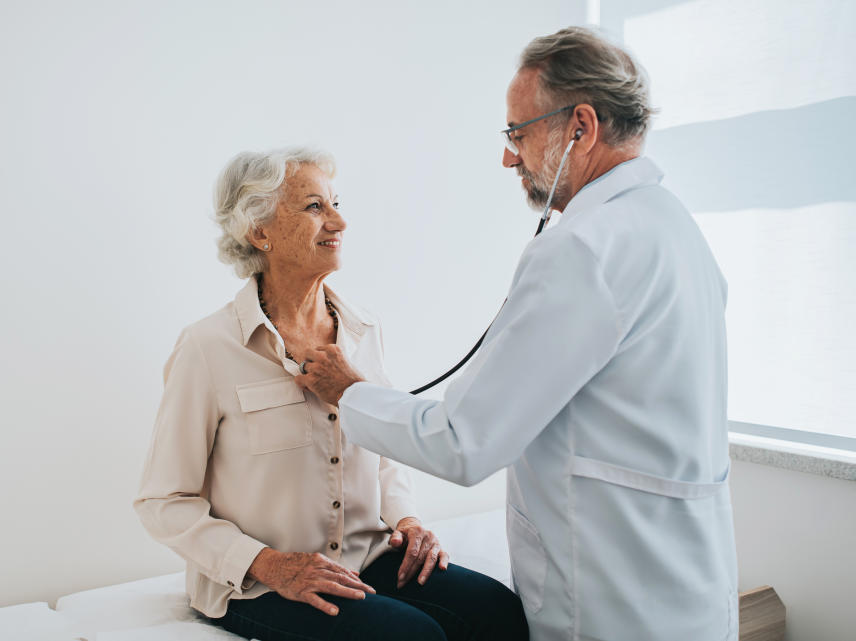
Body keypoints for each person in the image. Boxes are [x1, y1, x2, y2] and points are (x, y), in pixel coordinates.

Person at [296, 27, 739, 641]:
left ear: (580, 126)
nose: (509, 157)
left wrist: (350, 393)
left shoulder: (581, 250)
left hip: (612, 597)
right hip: (686, 585)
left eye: (519, 133)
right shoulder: (675, 228)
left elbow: (463, 442)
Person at [133, 147, 528, 641]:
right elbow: (164, 500)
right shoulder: (207, 347)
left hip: (368, 557)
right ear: (260, 232)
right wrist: (268, 564)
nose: (338, 220)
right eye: (315, 207)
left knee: (499, 612)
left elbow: (383, 452)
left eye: (335, 203)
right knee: (411, 637)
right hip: (261, 583)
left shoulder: (363, 331)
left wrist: (407, 520)